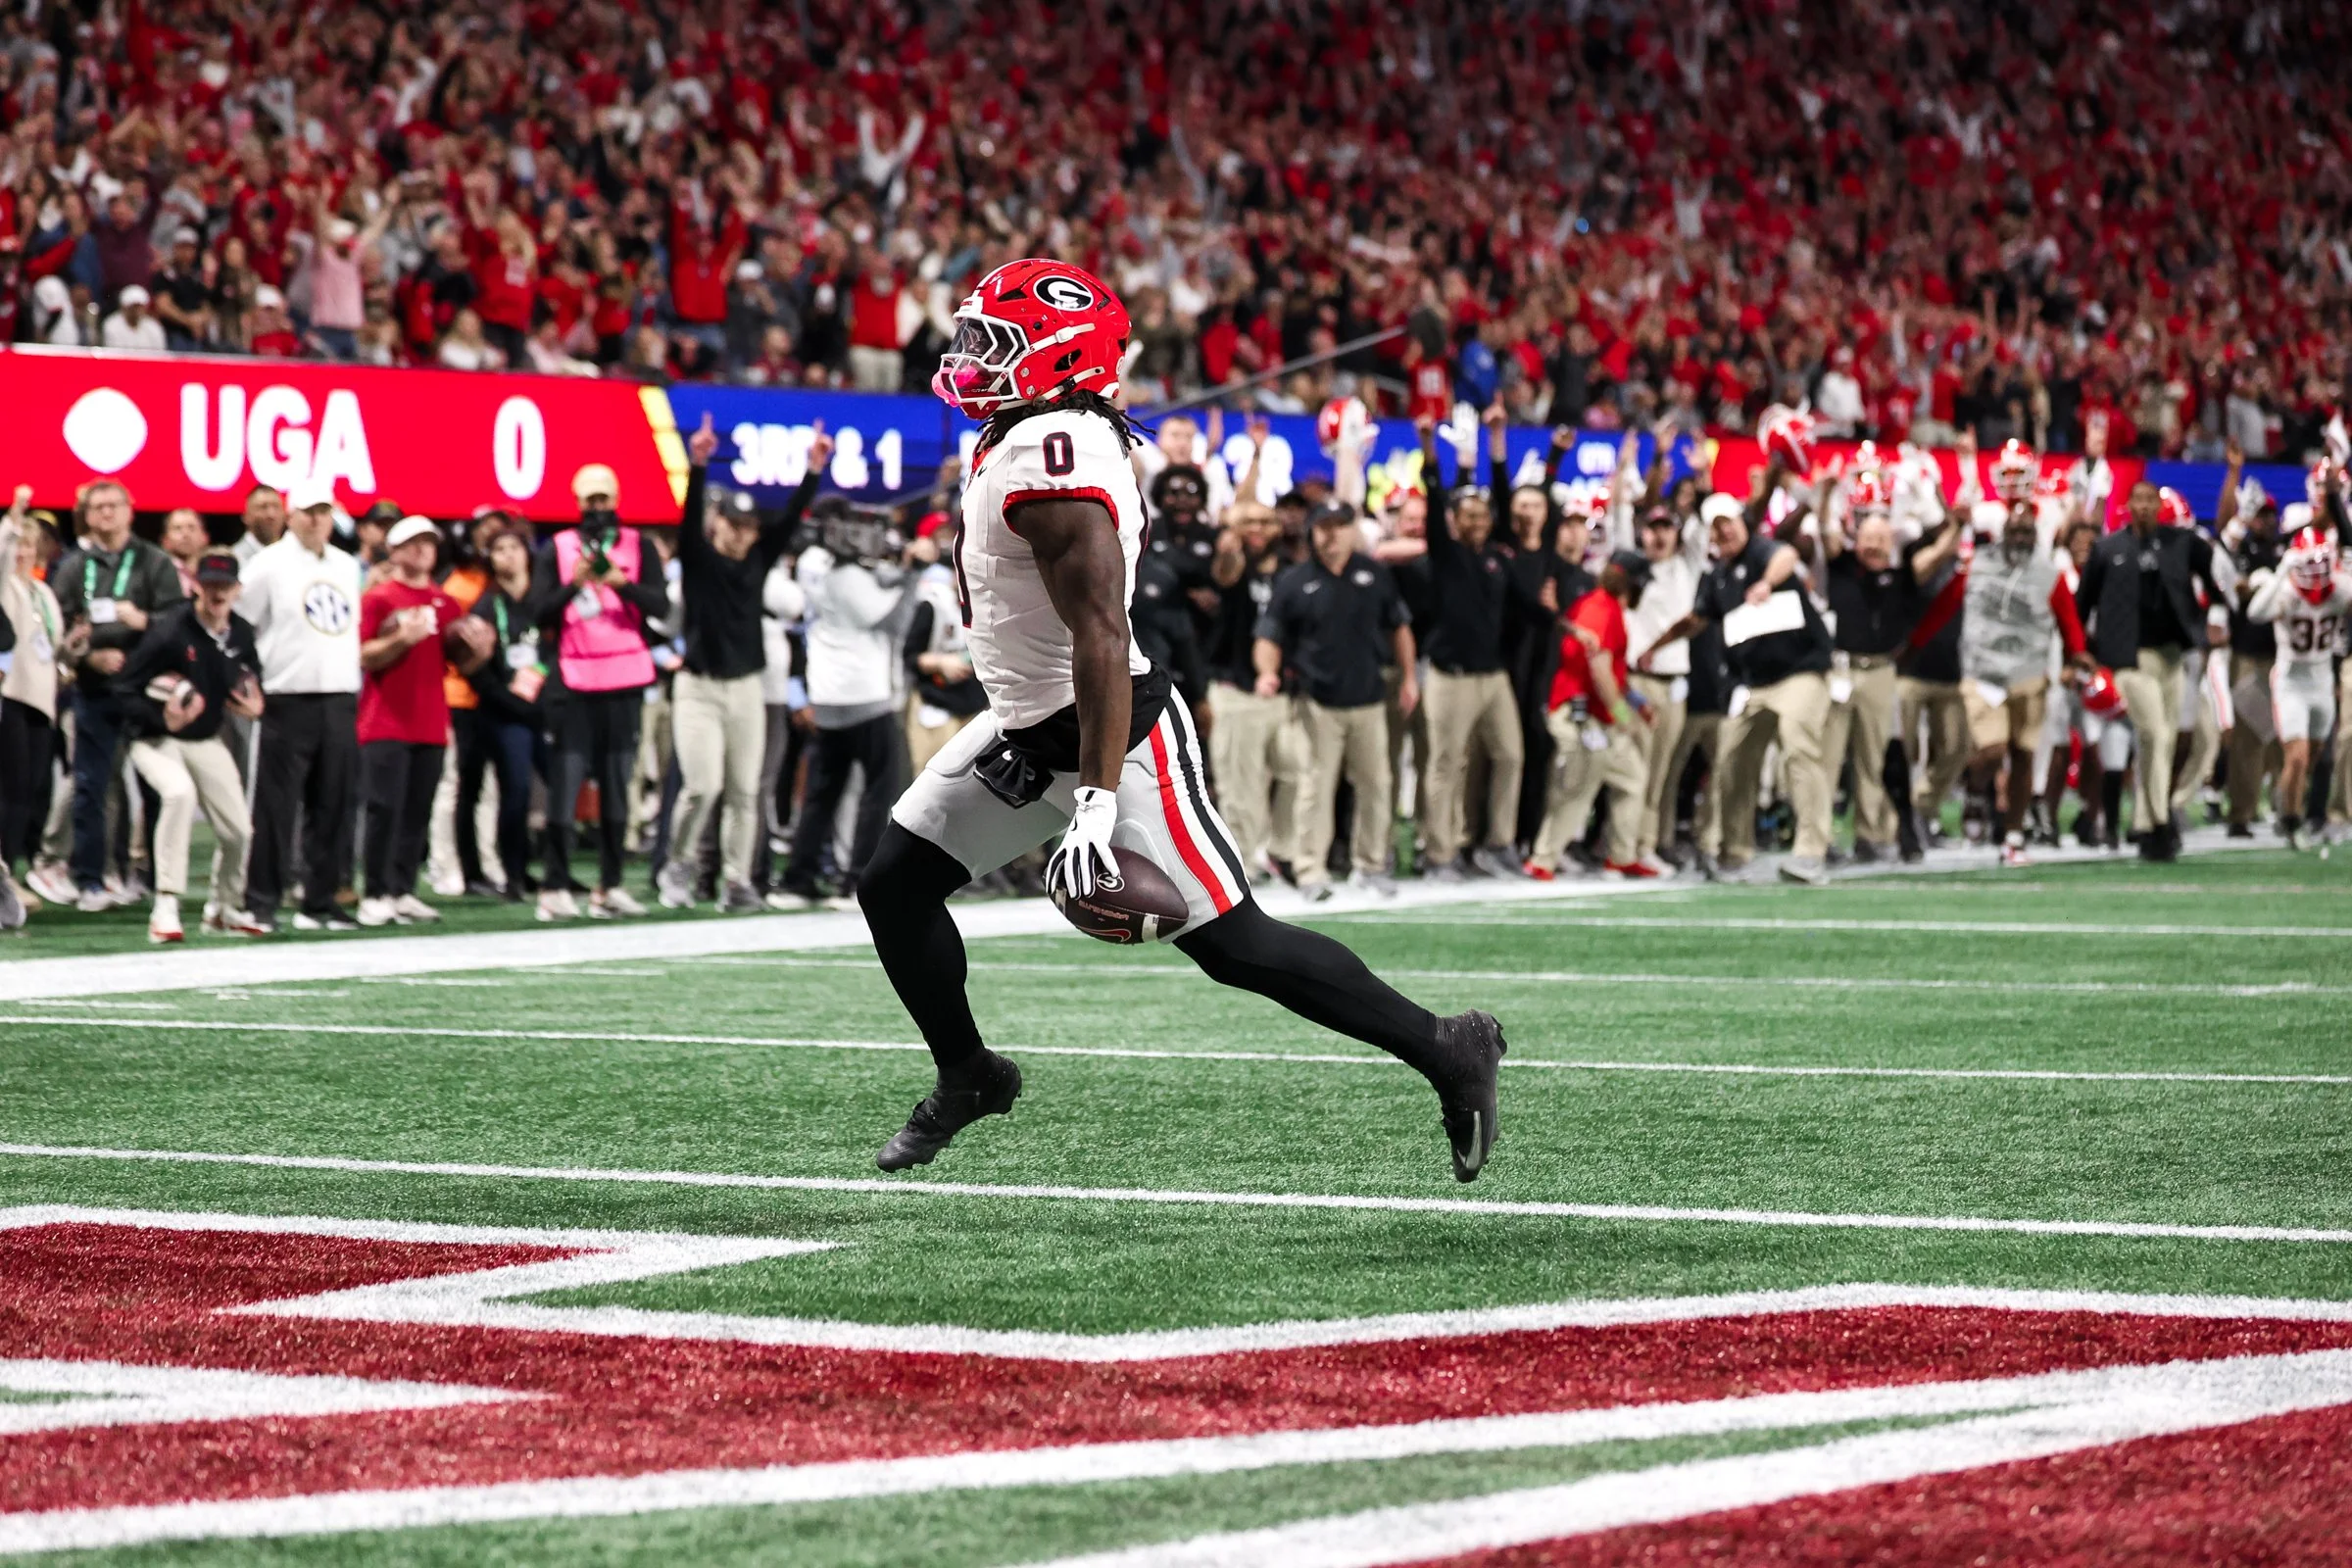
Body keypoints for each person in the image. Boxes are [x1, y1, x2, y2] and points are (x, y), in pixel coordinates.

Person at [855, 258, 1503, 1181]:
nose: (969, 359)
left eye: (992, 345)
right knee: (893, 883)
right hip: (1028, 724)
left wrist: (1093, 801)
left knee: (1237, 946)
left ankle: (1448, 1046)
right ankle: (970, 1074)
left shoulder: (1054, 453)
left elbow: (1103, 633)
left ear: (1059, 361)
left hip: (1112, 731)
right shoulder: (1033, 431)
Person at [661, 414, 829, 912]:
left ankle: (737, 881)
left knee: (743, 792)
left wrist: (813, 471)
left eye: (750, 527)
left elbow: (793, 516)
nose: (743, 534)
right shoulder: (698, 560)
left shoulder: (757, 560)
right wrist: (697, 464)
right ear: (719, 523)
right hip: (699, 688)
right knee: (702, 786)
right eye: (735, 524)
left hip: (746, 689)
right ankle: (678, 863)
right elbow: (687, 522)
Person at [1647, 488, 1839, 883]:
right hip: (1754, 683)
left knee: (1798, 746)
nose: (1724, 534)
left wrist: (1767, 583)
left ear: (1741, 524)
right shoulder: (1716, 578)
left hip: (1801, 672)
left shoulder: (1763, 552)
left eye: (1728, 524)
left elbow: (1787, 556)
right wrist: (1655, 647)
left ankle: (1810, 851)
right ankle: (1735, 851)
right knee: (1732, 759)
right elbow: (1695, 620)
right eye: (1716, 529)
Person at [1254, 500, 1417, 900]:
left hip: (1369, 698)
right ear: (1312, 532)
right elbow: (1269, 634)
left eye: (1339, 525)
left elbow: (1399, 627)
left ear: (1351, 529)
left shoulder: (1372, 573)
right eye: (1323, 527)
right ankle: (1311, 871)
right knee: (1315, 786)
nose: (1331, 534)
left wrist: (1410, 677)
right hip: (1317, 701)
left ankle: (1371, 865)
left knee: (1377, 785)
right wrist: (1267, 672)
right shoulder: (1294, 581)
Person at [530, 465, 669, 920]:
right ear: (578, 503)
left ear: (616, 500)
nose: (598, 509)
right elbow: (538, 612)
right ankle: (554, 885)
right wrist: (574, 583)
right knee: (566, 784)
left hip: (626, 678)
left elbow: (661, 605)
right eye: (590, 501)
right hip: (574, 680)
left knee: (617, 785)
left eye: (604, 500)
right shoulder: (558, 548)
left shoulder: (638, 545)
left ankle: (608, 886)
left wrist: (621, 583)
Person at [239, 478, 367, 932]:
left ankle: (320, 899)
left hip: (339, 696)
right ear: (292, 517)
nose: (316, 520)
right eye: (308, 512)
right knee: (276, 807)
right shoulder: (268, 565)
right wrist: (246, 681)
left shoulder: (347, 565)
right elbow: (239, 623)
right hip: (287, 697)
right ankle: (261, 901)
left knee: (334, 805)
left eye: (324, 512)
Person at [118, 551, 265, 943]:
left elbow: (249, 675)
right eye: (210, 584)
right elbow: (124, 688)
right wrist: (158, 717)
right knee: (178, 793)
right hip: (154, 738)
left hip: (204, 736)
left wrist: (253, 700)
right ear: (196, 586)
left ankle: (224, 906)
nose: (217, 592)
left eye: (225, 585)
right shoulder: (170, 629)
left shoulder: (241, 632)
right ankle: (165, 903)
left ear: (237, 590)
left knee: (239, 830)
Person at [2077, 479, 2228, 860]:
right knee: (2156, 734)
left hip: (2173, 656)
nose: (2144, 507)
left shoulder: (2180, 544)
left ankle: (2146, 823)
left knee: (2163, 741)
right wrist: (2081, 654)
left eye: (2150, 501)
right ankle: (2159, 824)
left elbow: (2218, 574)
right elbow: (2082, 605)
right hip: (2129, 658)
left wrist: (2211, 619)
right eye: (2138, 500)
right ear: (2128, 505)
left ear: (2158, 508)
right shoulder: (2108, 549)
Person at [779, 503, 921, 905]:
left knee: (824, 793)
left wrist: (906, 568)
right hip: (864, 695)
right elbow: (895, 623)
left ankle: (799, 877)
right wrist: (913, 577)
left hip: (829, 692)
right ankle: (857, 877)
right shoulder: (846, 575)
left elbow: (880, 578)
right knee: (881, 791)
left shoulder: (818, 565)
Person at [52, 479, 184, 909]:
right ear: (87, 516)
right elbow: (59, 628)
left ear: (131, 510)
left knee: (154, 786)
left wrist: (142, 621)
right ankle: (90, 879)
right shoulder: (74, 566)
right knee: (92, 786)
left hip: (147, 692)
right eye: (98, 507)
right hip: (95, 690)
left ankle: (150, 877)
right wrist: (88, 655)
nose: (106, 513)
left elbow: (178, 625)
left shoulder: (154, 561)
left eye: (114, 506)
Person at [1414, 416, 1535, 881]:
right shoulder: (1447, 555)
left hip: (1492, 675)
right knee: (1446, 763)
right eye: (1468, 516)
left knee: (1509, 755)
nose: (1479, 522)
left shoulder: (1495, 559)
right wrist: (1430, 450)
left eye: (1483, 516)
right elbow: (1433, 500)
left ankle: (1496, 844)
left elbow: (1501, 500)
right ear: (1455, 521)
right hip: (1451, 675)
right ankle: (1439, 854)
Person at [1819, 470, 1962, 861]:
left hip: (1881, 669)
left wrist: (1959, 523)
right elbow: (1826, 534)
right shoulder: (1842, 565)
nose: (1875, 547)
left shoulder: (1902, 576)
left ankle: (1871, 833)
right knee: (1828, 757)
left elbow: (1940, 553)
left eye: (1882, 540)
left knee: (1874, 758)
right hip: (1841, 669)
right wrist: (1827, 494)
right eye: (1868, 540)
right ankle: (1820, 836)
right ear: (1857, 539)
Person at [357, 517, 494, 925]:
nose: (422, 551)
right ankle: (375, 892)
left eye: (428, 544)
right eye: (413, 544)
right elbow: (365, 655)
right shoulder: (379, 598)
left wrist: (481, 650)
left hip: (430, 721)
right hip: (384, 720)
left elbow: (459, 664)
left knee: (417, 809)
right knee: (384, 808)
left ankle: (403, 889)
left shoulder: (445, 602)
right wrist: (402, 639)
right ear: (395, 550)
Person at [1955, 465, 2090, 866]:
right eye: (2014, 532)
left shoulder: (2049, 575)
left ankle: (2013, 837)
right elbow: (1948, 607)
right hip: (1985, 673)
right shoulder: (1979, 566)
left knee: (2025, 754)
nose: (2020, 538)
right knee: (1993, 751)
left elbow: (2069, 623)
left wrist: (2077, 656)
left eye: (2027, 533)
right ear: (2002, 535)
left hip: (2030, 673)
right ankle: (1975, 789)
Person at [1529, 552, 1654, 878]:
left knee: (1632, 779)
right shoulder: (1602, 609)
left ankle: (1622, 855)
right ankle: (1542, 860)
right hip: (1583, 714)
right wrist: (1623, 715)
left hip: (1599, 716)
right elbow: (1599, 670)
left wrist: (1634, 700)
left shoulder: (1598, 605)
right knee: (1578, 785)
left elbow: (1612, 668)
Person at [1206, 499, 1305, 882]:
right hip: (1236, 690)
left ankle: (1281, 850)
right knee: (1240, 786)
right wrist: (1231, 534)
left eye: (1266, 521)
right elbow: (1224, 573)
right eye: (1250, 522)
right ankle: (1241, 863)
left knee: (1297, 769)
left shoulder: (1289, 571)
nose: (1259, 529)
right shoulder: (1232, 562)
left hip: (1281, 692)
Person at [2247, 516, 2351, 850]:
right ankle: (2291, 822)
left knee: (2316, 755)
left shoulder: (2340, 587)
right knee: (2297, 757)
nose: (2315, 572)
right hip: (2291, 680)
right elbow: (2255, 613)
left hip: (2322, 680)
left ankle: (2285, 798)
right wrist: (2280, 573)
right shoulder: (2287, 588)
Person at [464, 519, 549, 900]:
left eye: (514, 547)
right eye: (499, 549)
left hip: (546, 706)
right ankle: (513, 873)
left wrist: (544, 695)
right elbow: (475, 668)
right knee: (514, 791)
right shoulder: (485, 605)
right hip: (503, 711)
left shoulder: (544, 600)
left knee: (560, 787)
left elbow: (557, 649)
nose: (508, 555)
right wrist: (511, 701)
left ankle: (556, 869)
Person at [1623, 498, 1707, 872]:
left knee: (1660, 772)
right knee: (1635, 769)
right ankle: (1626, 847)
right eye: (1652, 528)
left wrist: (1701, 489)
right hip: (1640, 681)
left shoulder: (1685, 570)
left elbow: (1701, 537)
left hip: (1675, 682)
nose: (1659, 536)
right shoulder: (1631, 569)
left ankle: (1647, 844)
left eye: (1666, 528)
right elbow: (1617, 524)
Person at [1, 490, 65, 924]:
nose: (24, 550)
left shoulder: (42, 590)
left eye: (30, 543)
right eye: (19, 543)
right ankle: (4, 873)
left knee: (31, 793)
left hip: (43, 700)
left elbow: (48, 645)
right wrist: (15, 515)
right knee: (11, 792)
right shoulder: (5, 586)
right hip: (13, 697)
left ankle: (14, 869)